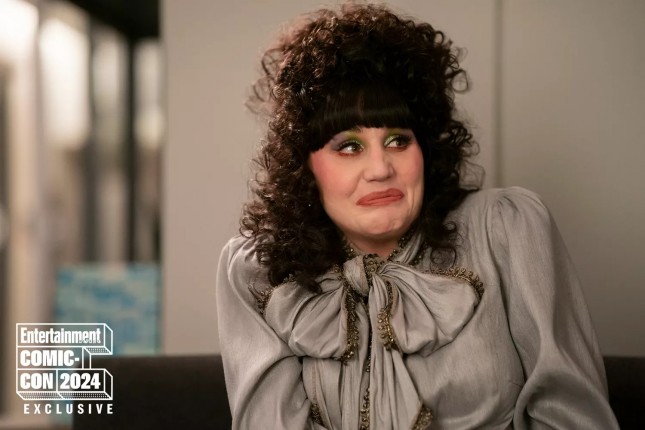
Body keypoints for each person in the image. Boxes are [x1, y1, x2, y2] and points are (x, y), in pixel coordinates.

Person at [216, 4, 618, 429]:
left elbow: (573, 418)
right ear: (304, 166)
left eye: (398, 140)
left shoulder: (506, 227)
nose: (380, 169)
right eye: (349, 146)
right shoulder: (257, 272)